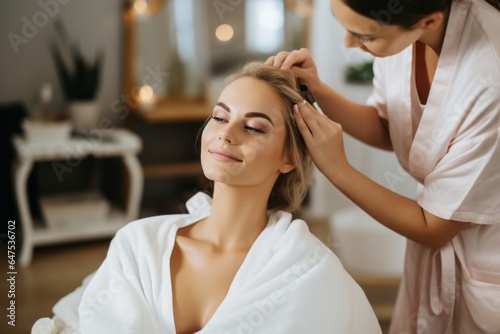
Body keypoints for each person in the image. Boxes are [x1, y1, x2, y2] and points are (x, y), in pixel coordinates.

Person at [32, 62, 381, 334]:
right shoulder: (138, 245)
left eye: (255, 127)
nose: (226, 134)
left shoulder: (307, 271)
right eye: (219, 116)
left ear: (288, 158)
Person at [267, 0, 500, 333]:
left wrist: (338, 170)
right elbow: (391, 127)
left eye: (364, 36)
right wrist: (316, 90)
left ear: (430, 21)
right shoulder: (405, 36)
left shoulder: (491, 77)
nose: (348, 44)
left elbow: (435, 228)